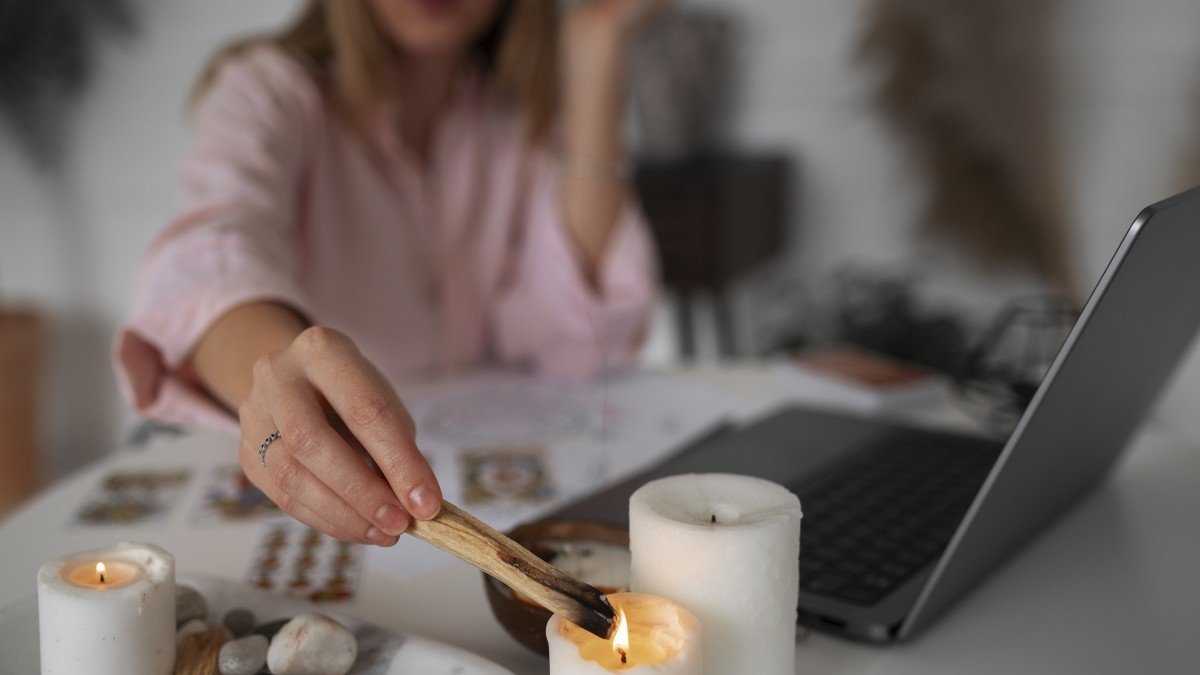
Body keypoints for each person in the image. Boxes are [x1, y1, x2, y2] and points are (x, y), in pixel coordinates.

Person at [114, 0, 662, 548]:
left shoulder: (513, 115)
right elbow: (208, 254)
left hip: (479, 489)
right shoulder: (267, 89)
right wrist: (283, 373)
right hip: (298, 508)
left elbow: (580, 341)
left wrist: (595, 50)